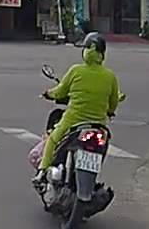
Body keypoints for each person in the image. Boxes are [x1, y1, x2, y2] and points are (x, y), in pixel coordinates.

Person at [33, 32, 122, 184]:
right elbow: (113, 101)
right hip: (98, 124)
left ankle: (41, 173)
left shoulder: (76, 71)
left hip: (73, 120)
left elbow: (60, 91)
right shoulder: (110, 76)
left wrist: (48, 94)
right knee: (103, 146)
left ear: (86, 51)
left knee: (52, 139)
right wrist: (110, 112)